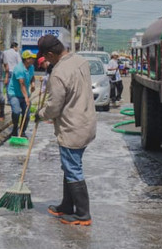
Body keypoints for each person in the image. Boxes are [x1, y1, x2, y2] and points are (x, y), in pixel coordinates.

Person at [37, 34, 97, 226]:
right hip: (86, 122)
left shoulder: (59, 72)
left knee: (72, 168)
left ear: (50, 54)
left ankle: (82, 214)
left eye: (45, 57)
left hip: (72, 126)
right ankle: (66, 205)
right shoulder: (80, 60)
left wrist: (40, 114)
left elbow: (54, 107)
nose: (45, 60)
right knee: (69, 166)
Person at [7, 50, 37, 137]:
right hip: (14, 94)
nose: (33, 60)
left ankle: (22, 132)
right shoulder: (19, 69)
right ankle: (15, 128)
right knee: (16, 112)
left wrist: (33, 84)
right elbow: (22, 84)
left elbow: (32, 77)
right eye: (31, 58)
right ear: (27, 59)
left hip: (24, 94)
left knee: (26, 115)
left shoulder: (31, 67)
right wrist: (26, 98)